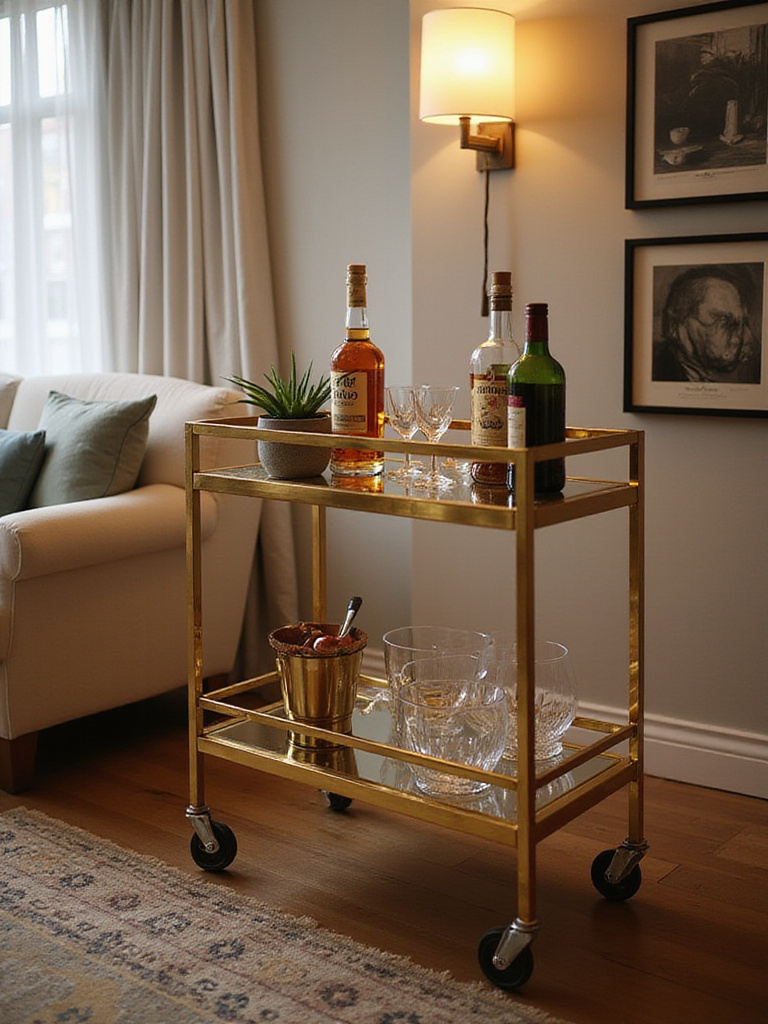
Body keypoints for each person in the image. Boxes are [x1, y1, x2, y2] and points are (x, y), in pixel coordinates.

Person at [653, 266, 762, 384]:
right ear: (676, 325)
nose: (739, 340)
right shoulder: (656, 371)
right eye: (723, 320)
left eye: (741, 323)